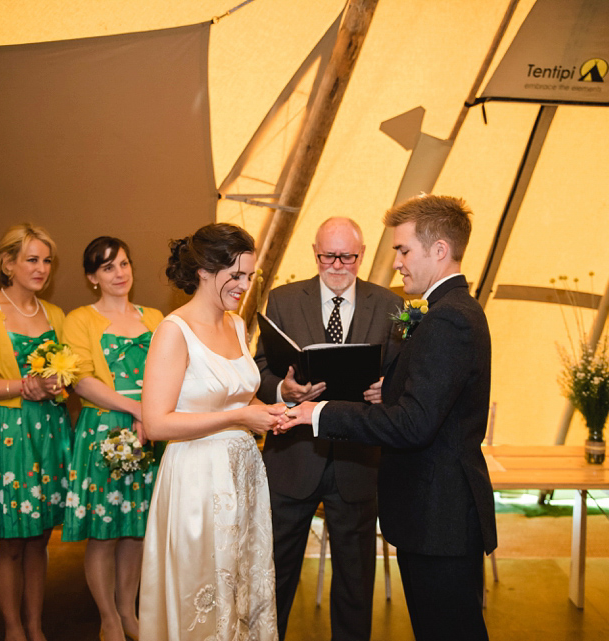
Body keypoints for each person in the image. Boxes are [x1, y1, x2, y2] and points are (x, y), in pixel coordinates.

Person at [281, 195, 496, 641]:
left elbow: (412, 425)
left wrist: (319, 412)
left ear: (438, 250)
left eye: (403, 250)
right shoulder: (449, 311)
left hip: (440, 516)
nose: (396, 262)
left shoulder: (447, 320)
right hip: (435, 515)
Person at [254, 216, 400, 640]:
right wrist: (283, 387)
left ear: (362, 255)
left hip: (358, 461)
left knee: (355, 581)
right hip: (292, 458)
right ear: (314, 253)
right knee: (276, 575)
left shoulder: (389, 304)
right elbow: (259, 369)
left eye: (347, 257)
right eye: (327, 256)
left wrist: (387, 390)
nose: (336, 265)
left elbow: (401, 374)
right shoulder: (283, 299)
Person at [137, 223, 284, 641]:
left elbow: (235, 397)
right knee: (202, 588)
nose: (243, 285)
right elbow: (157, 422)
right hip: (197, 479)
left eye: (249, 276)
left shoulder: (236, 325)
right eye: (235, 275)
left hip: (242, 475)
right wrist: (239, 418)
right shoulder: (173, 331)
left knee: (241, 581)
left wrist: (272, 410)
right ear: (203, 270)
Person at [0, 223, 70, 641]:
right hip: (2, 433)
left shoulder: (55, 315)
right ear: (8, 264)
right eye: (31, 259)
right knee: (10, 542)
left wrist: (59, 384)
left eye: (46, 261)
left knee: (39, 537)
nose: (41, 268)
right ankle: (12, 628)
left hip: (48, 431)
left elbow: (66, 372)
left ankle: (36, 626)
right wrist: (25, 386)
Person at [61, 237, 165, 641]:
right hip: (106, 430)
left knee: (137, 528)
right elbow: (82, 381)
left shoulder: (154, 316)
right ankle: (107, 617)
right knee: (104, 530)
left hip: (150, 434)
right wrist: (139, 409)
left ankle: (129, 611)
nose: (119, 274)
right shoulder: (79, 319)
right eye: (108, 268)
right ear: (92, 277)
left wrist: (152, 414)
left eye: (123, 264)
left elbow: (169, 371)